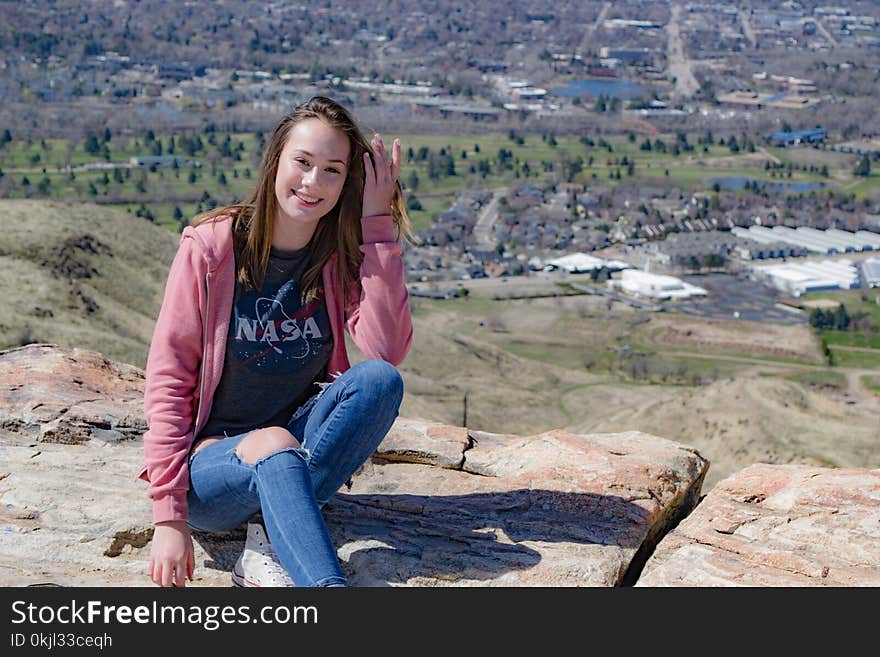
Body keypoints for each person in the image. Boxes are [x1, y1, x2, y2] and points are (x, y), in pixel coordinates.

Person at [138, 96, 413, 587]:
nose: (313, 183)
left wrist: (376, 224)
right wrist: (169, 518)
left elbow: (386, 347)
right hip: (215, 472)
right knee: (274, 444)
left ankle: (270, 533)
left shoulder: (336, 255)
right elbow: (169, 376)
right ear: (276, 161)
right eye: (302, 163)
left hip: (297, 450)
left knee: (378, 381)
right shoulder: (211, 247)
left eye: (332, 170)